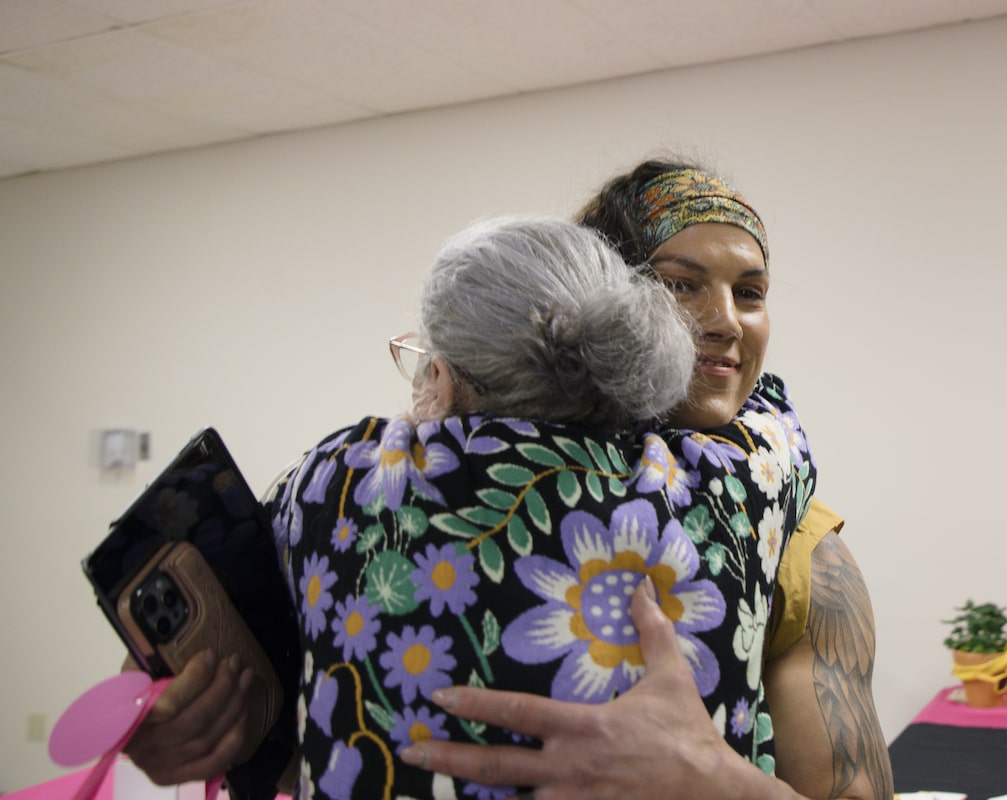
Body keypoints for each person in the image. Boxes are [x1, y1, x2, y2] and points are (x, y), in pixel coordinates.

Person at [126, 213, 814, 799]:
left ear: (446, 380)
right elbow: (773, 411)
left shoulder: (335, 481)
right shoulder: (728, 488)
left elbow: (216, 596)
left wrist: (153, 697)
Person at [401, 160, 893, 800]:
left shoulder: (799, 547)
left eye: (750, 292)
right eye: (681, 285)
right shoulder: (437, 489)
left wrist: (717, 778)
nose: (726, 321)